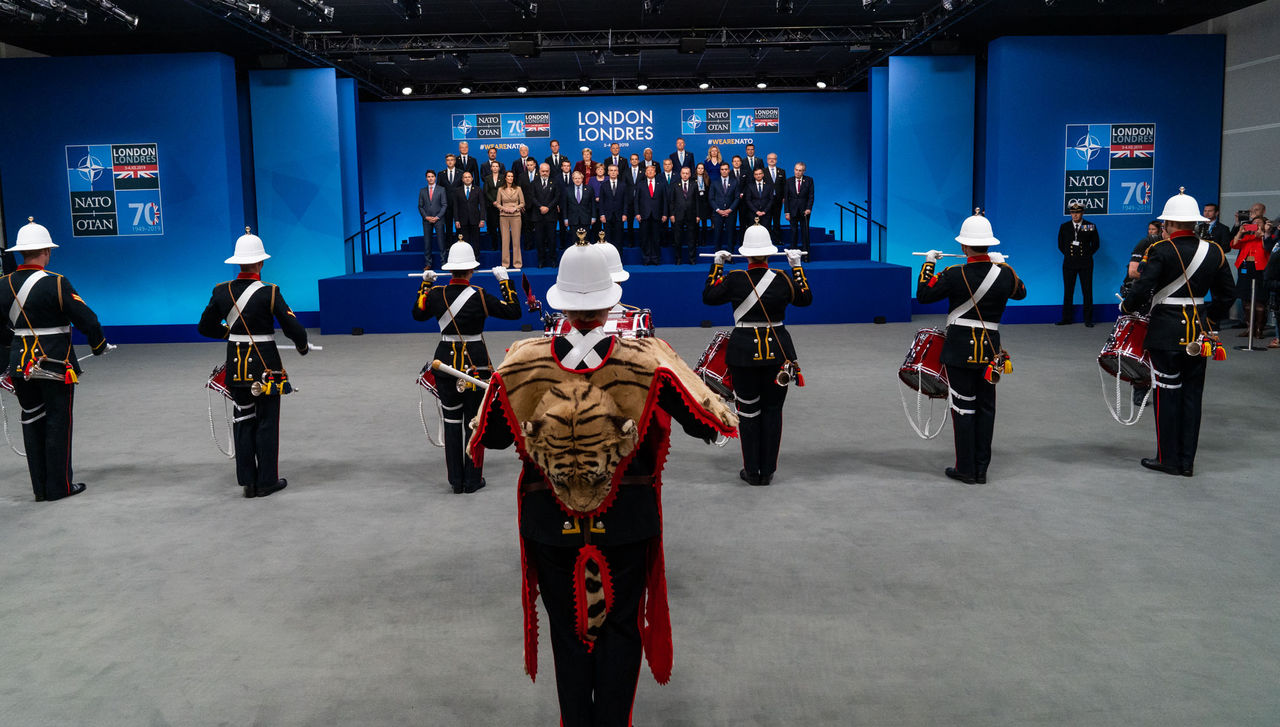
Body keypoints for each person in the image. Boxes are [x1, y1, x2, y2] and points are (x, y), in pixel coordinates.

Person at [468, 241, 737, 727]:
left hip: (549, 523)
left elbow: (493, 439)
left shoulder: (519, 362)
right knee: (620, 629)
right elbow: (709, 424)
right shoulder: (648, 360)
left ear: (561, 303)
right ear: (612, 301)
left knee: (567, 634)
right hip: (625, 521)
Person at [1120, 189, 1234, 477]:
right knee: (1192, 396)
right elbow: (1227, 295)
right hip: (1200, 334)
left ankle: (1167, 458)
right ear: (1194, 223)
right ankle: (1186, 462)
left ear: (1169, 224)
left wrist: (1127, 305)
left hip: (1166, 333)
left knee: (1167, 395)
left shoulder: (1160, 250)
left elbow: (1143, 287)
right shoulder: (1215, 251)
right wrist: (1211, 317)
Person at [0, 217, 112, 502]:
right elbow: (87, 318)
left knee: (31, 419)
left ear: (20, 252)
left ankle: (40, 488)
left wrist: (6, 362)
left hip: (19, 363)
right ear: (46, 252)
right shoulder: (57, 282)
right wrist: (99, 346)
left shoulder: (2, 284)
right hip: (54, 363)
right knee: (58, 422)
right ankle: (59, 486)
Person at [916, 212, 1026, 485]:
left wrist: (929, 263)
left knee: (963, 408)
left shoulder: (955, 273)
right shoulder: (1004, 275)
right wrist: (1003, 266)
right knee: (987, 407)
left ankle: (965, 468)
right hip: (991, 352)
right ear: (989, 245)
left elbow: (923, 294)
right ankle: (981, 469)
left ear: (964, 247)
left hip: (959, 348)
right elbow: (1021, 291)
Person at [197, 227, 308, 498]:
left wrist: (230, 333)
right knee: (267, 422)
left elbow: (204, 326)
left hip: (236, 366)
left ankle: (248, 481)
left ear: (238, 262)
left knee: (243, 419)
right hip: (266, 367)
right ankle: (267, 480)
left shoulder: (221, 291)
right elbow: (293, 327)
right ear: (260, 262)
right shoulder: (269, 292)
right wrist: (302, 346)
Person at [702, 222, 813, 486]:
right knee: (773, 411)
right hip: (778, 354)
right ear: (770, 253)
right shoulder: (783, 278)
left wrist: (717, 265)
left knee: (748, 412)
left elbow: (708, 296)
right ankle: (768, 470)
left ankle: (752, 471)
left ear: (746, 254)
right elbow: (805, 299)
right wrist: (797, 266)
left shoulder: (735, 278)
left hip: (743, 353)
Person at [411, 243, 521, 494]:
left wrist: (425, 285)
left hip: (445, 365)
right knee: (474, 422)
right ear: (471, 270)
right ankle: (473, 479)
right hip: (476, 366)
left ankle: (455, 481)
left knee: (451, 422)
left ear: (450, 271)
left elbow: (417, 313)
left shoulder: (437, 294)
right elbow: (513, 311)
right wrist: (505, 282)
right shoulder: (480, 295)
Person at [1230, 205, 1270, 339]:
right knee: (1245, 300)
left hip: (1261, 270)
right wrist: (1241, 232)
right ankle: (1249, 328)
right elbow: (1234, 244)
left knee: (1260, 301)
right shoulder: (1248, 237)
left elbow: (1268, 247)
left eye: (1259, 223)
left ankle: (1259, 328)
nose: (1256, 226)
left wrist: (1264, 234)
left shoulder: (1267, 238)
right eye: (1253, 224)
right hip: (1245, 268)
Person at [1057, 202, 1100, 326]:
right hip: (1069, 263)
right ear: (1070, 213)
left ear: (1082, 213)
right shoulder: (1064, 227)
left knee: (1087, 291)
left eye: (1077, 212)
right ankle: (1066, 318)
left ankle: (1088, 319)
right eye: (1073, 213)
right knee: (1068, 291)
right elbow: (1060, 244)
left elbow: (1096, 244)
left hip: (1085, 263)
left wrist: (1086, 255)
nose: (1075, 215)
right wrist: (1069, 255)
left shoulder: (1090, 226)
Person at [667, 166, 700, 265]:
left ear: (690, 174)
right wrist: (672, 214)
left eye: (687, 173)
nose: (685, 175)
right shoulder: (674, 185)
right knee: (677, 239)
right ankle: (678, 259)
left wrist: (698, 215)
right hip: (678, 215)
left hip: (691, 215)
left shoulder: (694, 184)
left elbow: (697, 201)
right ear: (680, 174)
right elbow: (671, 201)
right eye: (683, 173)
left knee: (692, 239)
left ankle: (692, 259)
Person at [634, 164, 666, 266]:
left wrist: (665, 214)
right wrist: (637, 213)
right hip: (644, 215)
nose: (650, 172)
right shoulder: (640, 184)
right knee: (644, 238)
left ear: (655, 172)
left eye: (652, 171)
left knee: (656, 239)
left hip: (657, 215)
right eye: (648, 171)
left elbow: (665, 200)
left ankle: (656, 259)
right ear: (645, 173)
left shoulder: (661, 184)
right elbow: (636, 200)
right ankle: (646, 259)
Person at [530, 163, 560, 268]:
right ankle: (541, 261)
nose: (545, 173)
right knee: (539, 240)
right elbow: (532, 197)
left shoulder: (555, 182)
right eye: (543, 171)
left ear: (549, 171)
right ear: (539, 171)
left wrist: (548, 207)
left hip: (551, 215)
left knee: (552, 239)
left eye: (547, 171)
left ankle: (553, 260)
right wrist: (540, 207)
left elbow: (557, 197)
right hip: (538, 216)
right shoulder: (534, 183)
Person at [495, 170, 526, 269]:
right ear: (505, 178)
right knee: (505, 241)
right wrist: (504, 208)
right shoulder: (500, 189)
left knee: (516, 241)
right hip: (504, 216)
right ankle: (505, 264)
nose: (510, 178)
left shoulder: (518, 189)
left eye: (512, 176)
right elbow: (498, 203)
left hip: (516, 216)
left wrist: (515, 208)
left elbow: (522, 203)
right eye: (508, 176)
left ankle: (517, 263)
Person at [418, 169, 449, 267]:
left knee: (441, 242)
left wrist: (437, 217)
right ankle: (428, 263)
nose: (430, 178)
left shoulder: (441, 189)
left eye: (432, 176)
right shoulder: (422, 191)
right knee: (427, 243)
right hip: (426, 220)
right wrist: (426, 217)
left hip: (438, 219)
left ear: (435, 178)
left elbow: (444, 205)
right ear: (426, 178)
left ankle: (443, 262)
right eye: (428, 177)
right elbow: (420, 206)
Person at [708, 162, 740, 251]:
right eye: (722, 169)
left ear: (729, 170)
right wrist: (718, 210)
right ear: (720, 171)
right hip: (718, 214)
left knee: (730, 236)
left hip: (731, 214)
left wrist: (729, 210)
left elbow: (737, 198)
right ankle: (718, 257)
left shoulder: (734, 182)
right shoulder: (714, 182)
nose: (724, 171)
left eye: (726, 169)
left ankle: (730, 257)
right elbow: (711, 198)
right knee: (717, 235)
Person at [785, 162, 814, 251]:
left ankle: (806, 255)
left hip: (805, 211)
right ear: (794, 170)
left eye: (800, 170)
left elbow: (811, 196)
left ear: (804, 171)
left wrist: (809, 208)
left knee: (805, 233)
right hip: (792, 210)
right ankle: (793, 254)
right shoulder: (788, 181)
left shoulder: (809, 180)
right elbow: (786, 197)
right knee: (793, 232)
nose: (797, 172)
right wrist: (787, 212)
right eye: (796, 170)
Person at [452, 171, 485, 249]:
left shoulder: (478, 189)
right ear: (462, 179)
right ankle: (466, 260)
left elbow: (482, 205)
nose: (467, 179)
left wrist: (482, 219)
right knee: (464, 243)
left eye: (469, 177)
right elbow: (455, 206)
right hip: (462, 221)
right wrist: (456, 220)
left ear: (472, 179)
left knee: (476, 242)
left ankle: (476, 259)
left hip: (475, 220)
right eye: (465, 177)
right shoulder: (457, 191)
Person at [598, 163, 628, 247]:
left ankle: (619, 258)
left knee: (619, 239)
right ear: (608, 172)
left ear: (618, 172)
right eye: (611, 170)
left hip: (619, 215)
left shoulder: (623, 185)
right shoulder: (604, 185)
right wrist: (602, 214)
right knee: (608, 239)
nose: (613, 172)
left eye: (615, 170)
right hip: (607, 216)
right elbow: (601, 202)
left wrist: (625, 214)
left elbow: (625, 201)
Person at [563, 171, 597, 240]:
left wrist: (593, 217)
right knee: (574, 241)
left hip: (586, 219)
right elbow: (565, 206)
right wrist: (565, 219)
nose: (577, 180)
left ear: (582, 179)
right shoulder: (567, 190)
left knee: (586, 240)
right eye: (575, 178)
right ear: (572, 179)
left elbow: (593, 204)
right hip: (573, 219)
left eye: (579, 178)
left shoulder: (589, 189)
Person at [744, 167, 774, 233]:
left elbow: (771, 200)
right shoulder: (750, 186)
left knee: (765, 232)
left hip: (766, 214)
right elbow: (748, 200)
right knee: (754, 233)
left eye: (760, 174)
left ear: (763, 174)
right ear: (754, 175)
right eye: (756, 174)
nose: (758, 175)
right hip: (753, 213)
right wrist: (756, 211)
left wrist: (764, 211)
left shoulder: (769, 186)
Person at [483, 161, 504, 252]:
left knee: (502, 227)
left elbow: (505, 190)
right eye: (493, 166)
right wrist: (493, 201)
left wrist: (499, 202)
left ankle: (503, 245)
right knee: (492, 227)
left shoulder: (503, 178)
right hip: (491, 206)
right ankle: (494, 246)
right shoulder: (487, 178)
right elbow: (486, 191)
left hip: (502, 206)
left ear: (499, 168)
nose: (495, 168)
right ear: (491, 168)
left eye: (497, 166)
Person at [764, 153, 785, 241]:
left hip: (778, 200)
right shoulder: (763, 171)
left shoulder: (782, 171)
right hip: (766, 200)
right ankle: (767, 240)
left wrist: (784, 197)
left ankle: (777, 240)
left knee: (777, 220)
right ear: (767, 160)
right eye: (770, 158)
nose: (772, 160)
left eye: (774, 159)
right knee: (767, 221)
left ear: (776, 160)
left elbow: (784, 186)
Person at [694, 162, 712, 250]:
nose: (700, 170)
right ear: (696, 169)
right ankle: (696, 240)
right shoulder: (692, 179)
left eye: (702, 168)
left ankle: (704, 240)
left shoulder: (707, 179)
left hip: (705, 203)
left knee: (704, 224)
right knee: (696, 224)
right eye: (699, 168)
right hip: (696, 203)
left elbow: (709, 192)